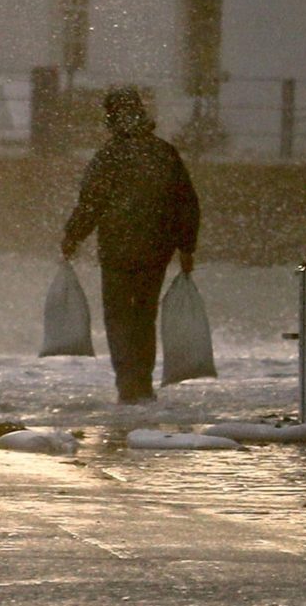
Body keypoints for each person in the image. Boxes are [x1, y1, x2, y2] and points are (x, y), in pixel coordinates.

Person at [59, 86, 200, 402]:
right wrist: (186, 247)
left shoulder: (109, 156)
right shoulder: (164, 153)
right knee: (144, 315)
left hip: (117, 250)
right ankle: (143, 384)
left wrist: (73, 236)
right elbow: (186, 202)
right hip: (156, 249)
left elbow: (92, 202)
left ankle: (127, 384)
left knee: (119, 316)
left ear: (111, 118)